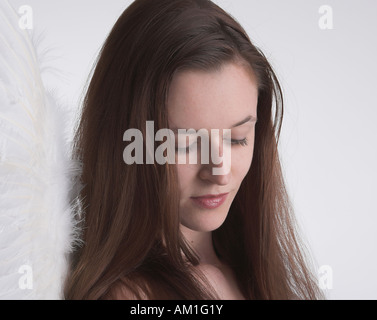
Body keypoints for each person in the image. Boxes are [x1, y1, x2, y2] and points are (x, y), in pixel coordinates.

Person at [64, 0, 323, 300]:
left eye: (237, 138)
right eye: (185, 144)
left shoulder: (253, 270)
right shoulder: (132, 297)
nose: (220, 172)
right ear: (128, 144)